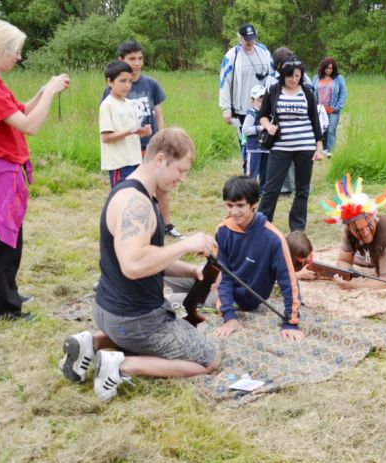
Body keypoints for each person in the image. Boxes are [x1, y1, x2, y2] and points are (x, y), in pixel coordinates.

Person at [59, 128, 220, 402]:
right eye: (180, 170)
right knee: (210, 359)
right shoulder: (137, 203)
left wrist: (189, 270)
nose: (182, 178)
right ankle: (120, 366)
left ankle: (92, 342)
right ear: (160, 159)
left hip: (106, 310)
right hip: (136, 321)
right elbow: (133, 265)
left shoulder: (134, 192)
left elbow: (147, 256)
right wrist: (185, 244)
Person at [0, 19, 70, 323]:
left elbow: (19, 110)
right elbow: (30, 126)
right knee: (1, 243)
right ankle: (2, 310)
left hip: (5, 171)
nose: (19, 57)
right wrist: (49, 94)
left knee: (10, 238)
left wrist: (42, 90)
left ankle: (8, 294)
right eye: (15, 51)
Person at [102, 41, 183, 239]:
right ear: (121, 60)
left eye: (139, 58)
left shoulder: (150, 84)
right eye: (131, 59)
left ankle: (166, 224)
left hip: (150, 146)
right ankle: (131, 229)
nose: (137, 63)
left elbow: (158, 114)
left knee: (160, 185)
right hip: (126, 151)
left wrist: (161, 138)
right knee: (134, 190)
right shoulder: (113, 91)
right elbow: (108, 128)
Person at [213, 176, 304, 341]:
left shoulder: (274, 238)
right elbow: (222, 277)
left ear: (254, 204)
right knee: (184, 275)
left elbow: (288, 281)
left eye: (240, 205)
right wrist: (229, 317)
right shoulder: (222, 231)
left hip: (243, 300)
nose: (233, 212)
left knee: (182, 299)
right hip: (222, 293)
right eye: (229, 205)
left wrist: (291, 322)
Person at [258, 56, 324, 232]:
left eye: (297, 76)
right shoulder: (273, 90)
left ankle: (297, 227)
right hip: (280, 148)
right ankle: (262, 224)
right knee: (271, 189)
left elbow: (315, 121)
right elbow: (262, 116)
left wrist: (319, 147)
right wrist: (268, 127)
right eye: (290, 76)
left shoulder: (308, 93)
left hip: (305, 147)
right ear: (283, 75)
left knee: (302, 189)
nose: (294, 79)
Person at [219, 23, 274, 174]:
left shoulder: (263, 51)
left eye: (252, 39)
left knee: (265, 142)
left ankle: (264, 179)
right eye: (246, 40)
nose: (250, 43)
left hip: (264, 107)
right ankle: (247, 175)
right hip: (243, 108)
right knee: (247, 144)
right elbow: (224, 82)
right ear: (239, 38)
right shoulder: (232, 56)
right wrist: (226, 109)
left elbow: (273, 74)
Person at [99, 60, 151, 188]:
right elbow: (106, 137)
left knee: (135, 194)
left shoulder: (129, 104)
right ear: (109, 82)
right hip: (119, 164)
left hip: (135, 160)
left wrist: (141, 132)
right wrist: (130, 131)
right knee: (121, 196)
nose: (127, 85)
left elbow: (131, 133)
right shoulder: (107, 105)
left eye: (130, 81)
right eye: (122, 81)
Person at [312, 57, 347, 158]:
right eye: (326, 68)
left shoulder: (338, 78)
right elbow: (312, 91)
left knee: (331, 130)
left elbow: (343, 93)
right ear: (322, 68)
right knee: (320, 130)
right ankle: (321, 149)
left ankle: (329, 151)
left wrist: (337, 106)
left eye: (331, 68)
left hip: (332, 110)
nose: (328, 70)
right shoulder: (316, 78)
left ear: (334, 69)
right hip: (319, 110)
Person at [241, 85, 269, 191]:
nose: (263, 103)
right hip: (253, 148)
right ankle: (247, 191)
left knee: (265, 172)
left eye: (265, 100)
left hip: (266, 148)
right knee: (251, 172)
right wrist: (259, 128)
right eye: (260, 100)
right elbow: (245, 130)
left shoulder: (268, 113)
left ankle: (263, 192)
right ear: (253, 101)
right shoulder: (252, 114)